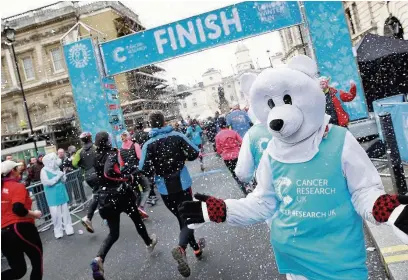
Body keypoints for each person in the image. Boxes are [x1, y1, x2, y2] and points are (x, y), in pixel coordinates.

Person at [179, 55, 408, 280]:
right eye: (271, 105)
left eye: (287, 100)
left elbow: (363, 191)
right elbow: (263, 202)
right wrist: (221, 211)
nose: (277, 116)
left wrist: (390, 210)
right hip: (295, 262)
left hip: (340, 262)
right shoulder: (273, 151)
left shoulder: (339, 141)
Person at [139, 111, 205, 278]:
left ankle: (196, 248)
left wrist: (157, 168)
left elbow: (143, 169)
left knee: (182, 219)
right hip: (182, 184)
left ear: (151, 125)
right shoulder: (177, 136)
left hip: (165, 189)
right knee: (188, 219)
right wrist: (180, 157)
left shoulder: (148, 144)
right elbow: (194, 153)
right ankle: (181, 248)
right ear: (164, 121)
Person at [91, 131, 157, 280]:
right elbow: (109, 172)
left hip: (106, 198)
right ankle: (149, 242)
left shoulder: (96, 156)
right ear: (107, 141)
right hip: (120, 195)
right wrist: (126, 177)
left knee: (114, 233)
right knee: (137, 220)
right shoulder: (112, 153)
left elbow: (102, 175)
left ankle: (99, 259)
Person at [1, 160, 43, 280]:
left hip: (4, 233)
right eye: (17, 168)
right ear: (12, 171)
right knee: (37, 262)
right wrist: (34, 214)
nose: (19, 170)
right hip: (22, 228)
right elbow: (18, 209)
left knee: (18, 271)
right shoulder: (17, 186)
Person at [40, 153, 74, 239]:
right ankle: (58, 230)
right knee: (55, 214)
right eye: (55, 159)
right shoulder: (44, 171)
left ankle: (68, 227)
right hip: (52, 195)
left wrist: (63, 176)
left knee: (66, 212)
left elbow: (63, 180)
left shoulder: (57, 168)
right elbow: (47, 183)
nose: (57, 161)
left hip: (61, 192)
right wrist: (58, 176)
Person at [118, 131, 152, 215]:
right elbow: (140, 158)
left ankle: (138, 212)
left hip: (129, 175)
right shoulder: (135, 145)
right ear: (129, 136)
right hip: (137, 172)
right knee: (147, 188)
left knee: (137, 193)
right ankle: (141, 207)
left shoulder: (120, 150)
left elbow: (121, 164)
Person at [215, 117, 249, 195]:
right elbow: (242, 142)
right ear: (226, 124)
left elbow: (219, 150)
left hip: (227, 158)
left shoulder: (218, 136)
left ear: (219, 126)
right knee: (242, 171)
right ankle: (248, 185)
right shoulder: (233, 132)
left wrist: (224, 149)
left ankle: (244, 190)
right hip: (237, 155)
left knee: (235, 175)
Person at [72, 132, 98, 233]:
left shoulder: (80, 151)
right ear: (90, 138)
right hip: (97, 174)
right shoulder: (95, 147)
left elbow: (74, 163)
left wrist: (83, 167)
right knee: (99, 194)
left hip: (88, 176)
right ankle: (89, 217)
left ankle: (91, 217)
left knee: (98, 193)